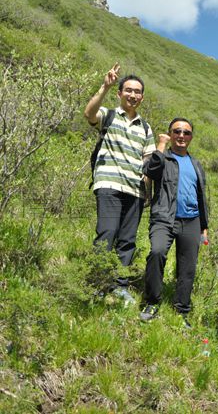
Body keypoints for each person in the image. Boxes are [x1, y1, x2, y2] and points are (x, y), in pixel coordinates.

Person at [83, 63, 155, 303]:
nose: (133, 95)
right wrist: (104, 86)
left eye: (137, 92)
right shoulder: (109, 115)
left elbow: (147, 161)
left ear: (142, 97)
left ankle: (119, 285)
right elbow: (89, 114)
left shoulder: (146, 128)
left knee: (127, 239)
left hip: (135, 191)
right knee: (107, 233)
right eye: (128, 90)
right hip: (109, 184)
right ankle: (97, 282)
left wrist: (147, 192)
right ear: (120, 93)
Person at [139, 118, 208, 327]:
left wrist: (204, 227)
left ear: (191, 137)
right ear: (170, 134)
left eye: (186, 132)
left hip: (192, 221)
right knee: (157, 252)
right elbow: (150, 170)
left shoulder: (196, 164)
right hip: (164, 217)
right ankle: (152, 302)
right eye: (177, 131)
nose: (181, 136)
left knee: (188, 267)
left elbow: (202, 196)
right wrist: (160, 146)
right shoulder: (164, 158)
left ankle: (181, 311)